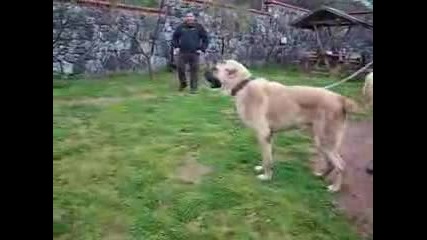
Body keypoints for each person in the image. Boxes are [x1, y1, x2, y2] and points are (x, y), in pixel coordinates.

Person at [172, 13, 209, 93]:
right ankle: (183, 83)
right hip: (182, 52)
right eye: (188, 17)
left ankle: (193, 88)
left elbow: (205, 39)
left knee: (194, 70)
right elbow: (174, 37)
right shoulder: (181, 27)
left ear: (194, 18)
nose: (189, 18)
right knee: (180, 68)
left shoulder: (199, 27)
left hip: (194, 52)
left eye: (191, 17)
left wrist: (202, 49)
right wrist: (176, 46)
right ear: (185, 18)